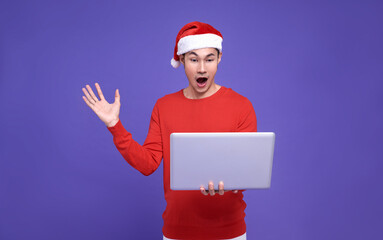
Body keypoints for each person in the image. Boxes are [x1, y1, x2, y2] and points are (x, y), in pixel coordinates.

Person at [82, 21, 257, 240]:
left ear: (219, 58)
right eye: (193, 59)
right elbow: (148, 164)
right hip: (177, 233)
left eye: (209, 59)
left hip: (230, 233)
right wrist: (114, 125)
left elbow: (247, 172)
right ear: (182, 60)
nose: (202, 68)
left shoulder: (241, 106)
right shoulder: (164, 106)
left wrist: (232, 183)